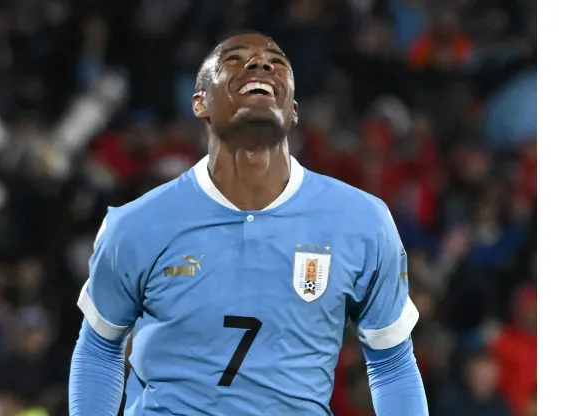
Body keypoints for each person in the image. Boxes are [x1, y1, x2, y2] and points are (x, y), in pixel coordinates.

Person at [69, 31, 428, 416]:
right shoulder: (135, 225)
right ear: (199, 102)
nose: (260, 64)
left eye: (277, 61)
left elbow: (391, 364)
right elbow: (100, 349)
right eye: (235, 60)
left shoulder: (362, 222)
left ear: (293, 110)